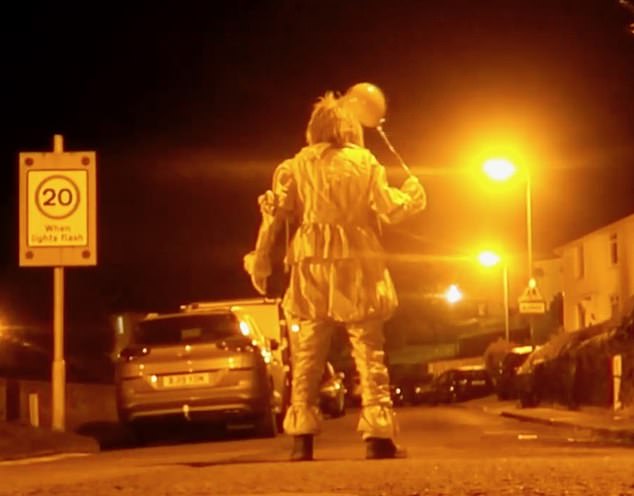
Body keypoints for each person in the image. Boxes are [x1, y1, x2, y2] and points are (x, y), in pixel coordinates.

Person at [243, 90, 426, 461]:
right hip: (358, 260)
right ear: (349, 127)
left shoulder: (295, 166)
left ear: (314, 129)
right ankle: (377, 437)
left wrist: (261, 258)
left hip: (310, 262)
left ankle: (302, 439)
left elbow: (275, 216)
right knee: (368, 350)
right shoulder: (364, 162)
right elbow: (389, 209)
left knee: (307, 353)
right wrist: (413, 197)